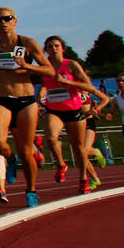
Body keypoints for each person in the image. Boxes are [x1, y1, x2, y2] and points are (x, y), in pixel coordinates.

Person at [0, 7, 52, 206]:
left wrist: (27, 66)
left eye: (7, 18)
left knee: (26, 151)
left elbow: (49, 70)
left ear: (15, 20)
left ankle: (31, 190)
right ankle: (10, 160)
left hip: (25, 100)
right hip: (2, 99)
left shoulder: (28, 43)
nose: (3, 23)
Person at [35, 35, 110, 194]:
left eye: (56, 46)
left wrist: (69, 83)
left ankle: (83, 179)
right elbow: (44, 85)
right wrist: (40, 95)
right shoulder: (45, 66)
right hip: (54, 109)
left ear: (62, 48)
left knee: (79, 149)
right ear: (45, 50)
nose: (53, 49)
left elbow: (88, 86)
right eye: (49, 47)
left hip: (74, 110)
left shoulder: (71, 65)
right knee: (50, 138)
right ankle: (61, 164)